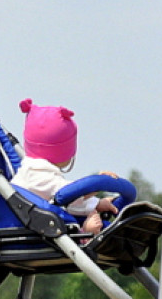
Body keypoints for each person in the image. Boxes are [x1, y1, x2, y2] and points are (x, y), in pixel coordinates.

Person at [13, 98, 118, 234]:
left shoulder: (32, 171)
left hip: (37, 225)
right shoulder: (37, 174)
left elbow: (69, 201)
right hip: (37, 234)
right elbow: (68, 194)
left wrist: (97, 203)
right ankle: (85, 235)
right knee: (96, 229)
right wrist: (97, 185)